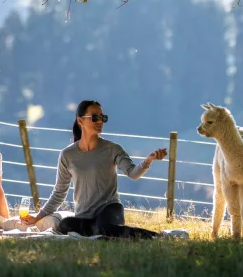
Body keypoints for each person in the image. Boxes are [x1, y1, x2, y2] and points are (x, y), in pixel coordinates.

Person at [22, 100, 167, 238]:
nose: (100, 121)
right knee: (65, 225)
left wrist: (148, 161)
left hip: (110, 209)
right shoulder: (67, 155)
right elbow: (59, 193)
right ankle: (99, 232)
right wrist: (38, 217)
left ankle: (154, 236)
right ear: (80, 121)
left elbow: (133, 174)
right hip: (85, 216)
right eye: (95, 117)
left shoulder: (113, 149)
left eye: (102, 117)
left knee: (104, 228)